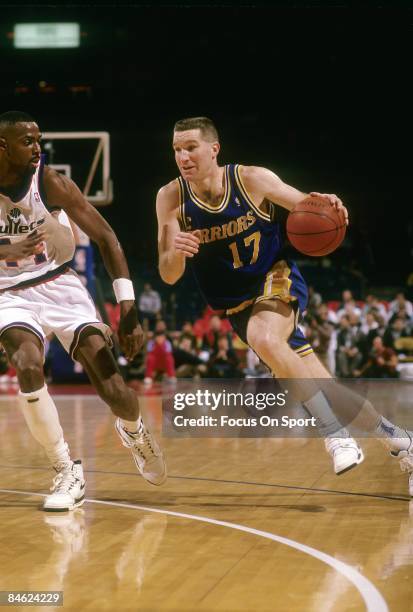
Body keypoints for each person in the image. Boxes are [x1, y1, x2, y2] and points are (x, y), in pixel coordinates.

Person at [156, 115, 413, 494]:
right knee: (326, 387)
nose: (183, 157)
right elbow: (168, 274)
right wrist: (176, 252)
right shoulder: (170, 198)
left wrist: (329, 203)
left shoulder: (250, 179)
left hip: (275, 279)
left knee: (265, 336)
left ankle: (335, 435)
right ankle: (401, 441)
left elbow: (308, 206)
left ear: (214, 149)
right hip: (237, 305)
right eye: (177, 149)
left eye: (191, 147)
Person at [0, 111, 166, 511]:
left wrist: (128, 309)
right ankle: (65, 468)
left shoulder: (51, 182)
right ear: (2, 146)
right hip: (8, 292)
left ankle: (134, 430)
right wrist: (6, 251)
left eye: (39, 139)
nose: (38, 147)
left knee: (114, 389)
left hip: (59, 283)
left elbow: (107, 237)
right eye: (27, 141)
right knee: (27, 364)